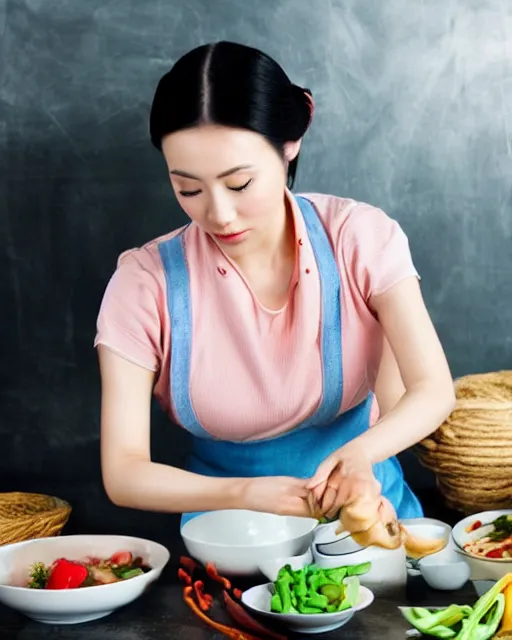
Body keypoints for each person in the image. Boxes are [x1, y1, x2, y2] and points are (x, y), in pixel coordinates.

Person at [95, 41, 455, 529]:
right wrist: (245, 494)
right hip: (229, 536)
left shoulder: (359, 238)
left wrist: (359, 456)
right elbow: (124, 472)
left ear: (290, 145)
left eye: (240, 184)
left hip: (373, 520)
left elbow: (432, 390)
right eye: (189, 189)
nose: (218, 215)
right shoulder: (144, 283)